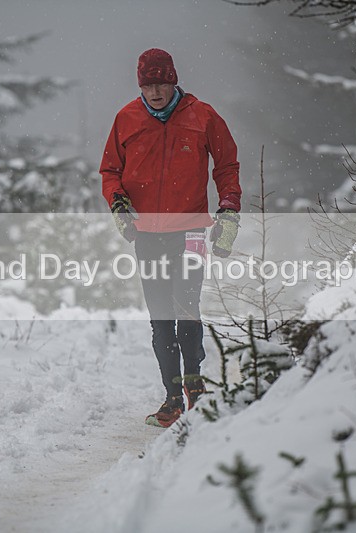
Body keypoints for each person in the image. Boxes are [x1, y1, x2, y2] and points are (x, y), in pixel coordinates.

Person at [100, 48, 242, 428]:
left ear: (174, 80)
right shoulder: (126, 119)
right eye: (148, 85)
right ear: (140, 86)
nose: (156, 92)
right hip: (147, 234)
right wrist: (118, 203)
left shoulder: (203, 116)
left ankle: (195, 387)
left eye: (162, 83)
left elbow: (227, 164)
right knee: (161, 318)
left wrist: (229, 208)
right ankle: (172, 397)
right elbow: (110, 171)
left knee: (186, 306)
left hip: (192, 228)